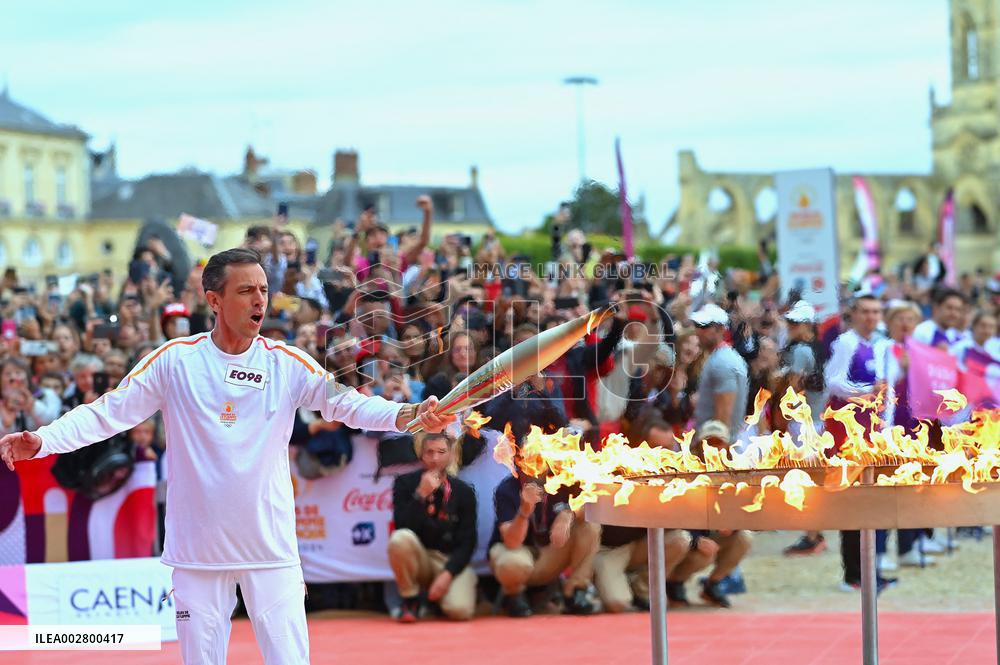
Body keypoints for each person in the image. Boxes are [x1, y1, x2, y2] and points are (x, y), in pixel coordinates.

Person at [0, 247, 454, 665]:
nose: (260, 300)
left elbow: (348, 404)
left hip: (269, 549)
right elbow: (107, 412)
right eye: (246, 290)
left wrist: (408, 414)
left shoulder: (286, 363)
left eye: (264, 290)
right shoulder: (175, 361)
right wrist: (44, 440)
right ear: (214, 300)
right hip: (196, 554)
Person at [388, 431, 478, 623]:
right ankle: (410, 600)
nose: (435, 458)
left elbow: (468, 541)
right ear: (421, 455)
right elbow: (402, 525)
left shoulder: (463, 491)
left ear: (451, 455)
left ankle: (433, 603)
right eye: (429, 452)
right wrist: (420, 494)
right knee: (399, 539)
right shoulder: (404, 483)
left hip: (448, 559)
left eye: (441, 452)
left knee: (460, 610)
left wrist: (448, 574)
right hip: (419, 556)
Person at [690, 303, 749, 437]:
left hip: (716, 444)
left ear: (720, 329)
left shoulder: (722, 363)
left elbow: (723, 417)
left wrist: (715, 446)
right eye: (697, 325)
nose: (698, 331)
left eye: (704, 326)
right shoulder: (721, 358)